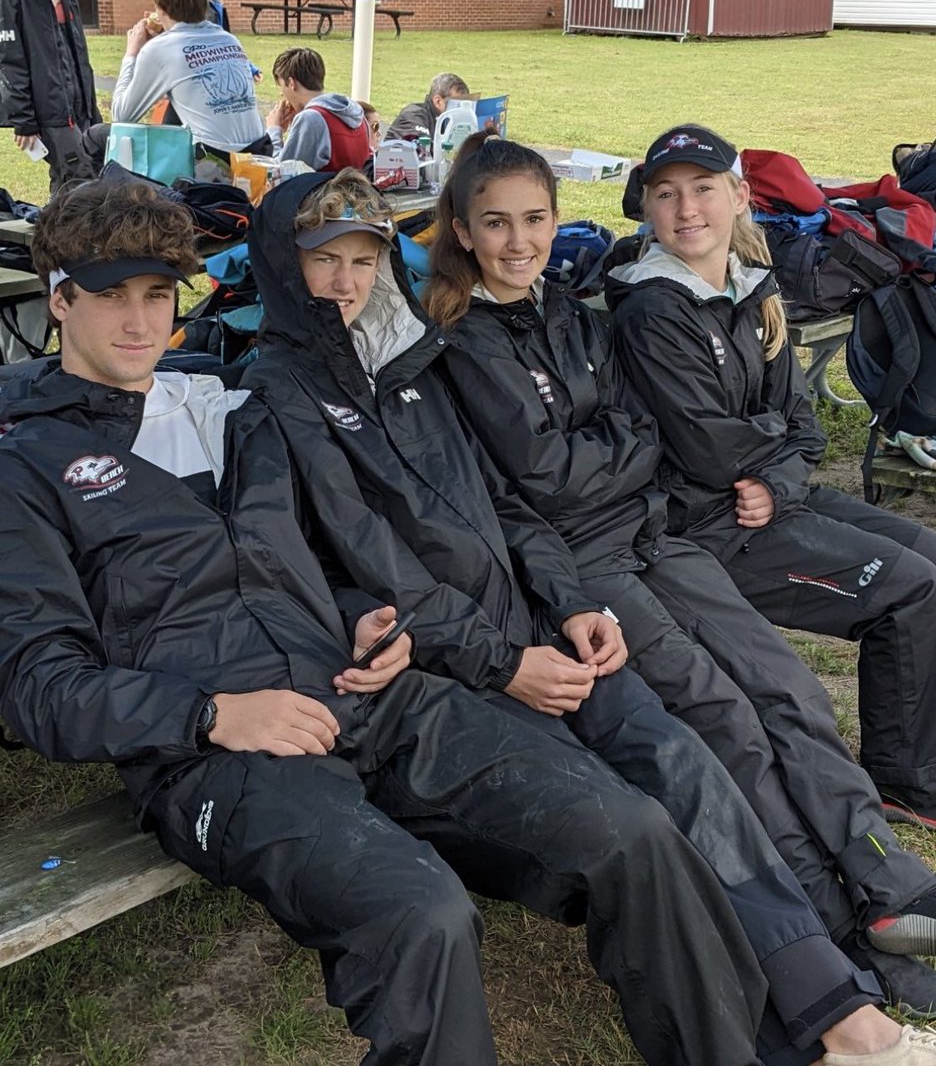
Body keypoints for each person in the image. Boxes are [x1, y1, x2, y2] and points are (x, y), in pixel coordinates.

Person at [0, 180, 825, 1066]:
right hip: (216, 754)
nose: (139, 321)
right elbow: (38, 689)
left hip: (371, 696)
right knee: (423, 914)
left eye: (157, 295)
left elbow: (304, 564)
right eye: (110, 296)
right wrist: (212, 714)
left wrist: (363, 623)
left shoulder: (228, 411)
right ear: (59, 302)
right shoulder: (29, 465)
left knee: (633, 828)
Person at [240, 167, 936, 1065]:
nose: (345, 282)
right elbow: (348, 569)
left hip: (548, 619)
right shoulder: (275, 401)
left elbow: (509, 507)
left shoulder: (409, 367)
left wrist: (567, 607)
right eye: (321, 262)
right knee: (667, 788)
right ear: (280, 267)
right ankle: (826, 1012)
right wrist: (503, 659)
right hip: (455, 670)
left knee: (688, 758)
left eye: (361, 259)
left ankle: (841, 998)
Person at [421, 133, 936, 1014]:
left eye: (536, 219)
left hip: (659, 534)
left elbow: (643, 437)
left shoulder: (572, 315)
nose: (519, 241)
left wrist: (612, 451)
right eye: (496, 223)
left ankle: (890, 886)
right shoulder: (463, 342)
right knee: (725, 722)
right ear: (463, 232)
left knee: (789, 693)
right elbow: (544, 478)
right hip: (582, 565)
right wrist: (614, 450)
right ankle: (828, 914)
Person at [605, 123, 936, 831]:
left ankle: (921, 744)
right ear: (648, 210)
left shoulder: (754, 288)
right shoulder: (651, 309)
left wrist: (782, 474)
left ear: (739, 196)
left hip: (770, 500)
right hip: (708, 526)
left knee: (930, 560)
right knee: (909, 591)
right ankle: (904, 781)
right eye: (666, 195)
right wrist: (778, 452)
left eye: (703, 190)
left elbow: (804, 423)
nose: (687, 209)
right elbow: (709, 453)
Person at [100, 0, 267, 157]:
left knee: (96, 136)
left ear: (161, 9)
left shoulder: (159, 50)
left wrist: (131, 53)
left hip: (213, 160)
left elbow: (122, 115)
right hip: (259, 151)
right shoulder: (228, 39)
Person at [0, 0, 99, 191]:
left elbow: (79, 55)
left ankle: (52, 233)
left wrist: (91, 110)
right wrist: (24, 121)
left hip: (80, 108)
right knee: (79, 179)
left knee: (75, 179)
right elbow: (10, 62)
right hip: (49, 112)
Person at [265, 48, 369, 171]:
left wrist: (274, 131)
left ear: (291, 83)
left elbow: (282, 173)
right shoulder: (356, 112)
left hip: (326, 190)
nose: (282, 94)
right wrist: (296, 126)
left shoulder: (311, 119)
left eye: (281, 86)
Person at [386, 71, 470, 141]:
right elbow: (422, 151)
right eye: (456, 104)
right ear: (438, 101)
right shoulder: (413, 116)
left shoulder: (449, 122)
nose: (461, 110)